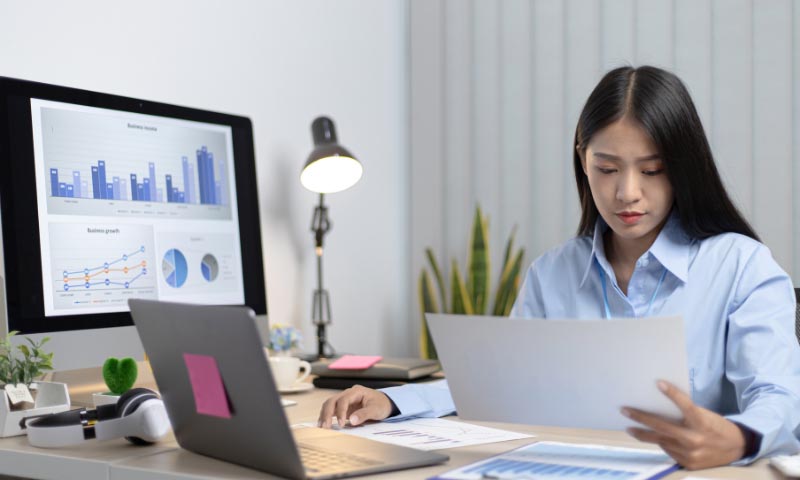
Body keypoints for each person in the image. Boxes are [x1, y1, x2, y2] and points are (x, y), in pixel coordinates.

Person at [316, 65, 800, 470]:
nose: (626, 192)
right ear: (582, 162)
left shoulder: (741, 266)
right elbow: (497, 385)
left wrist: (739, 438)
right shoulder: (552, 274)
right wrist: (394, 402)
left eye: (651, 170)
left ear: (683, 168)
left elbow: (779, 396)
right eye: (607, 168)